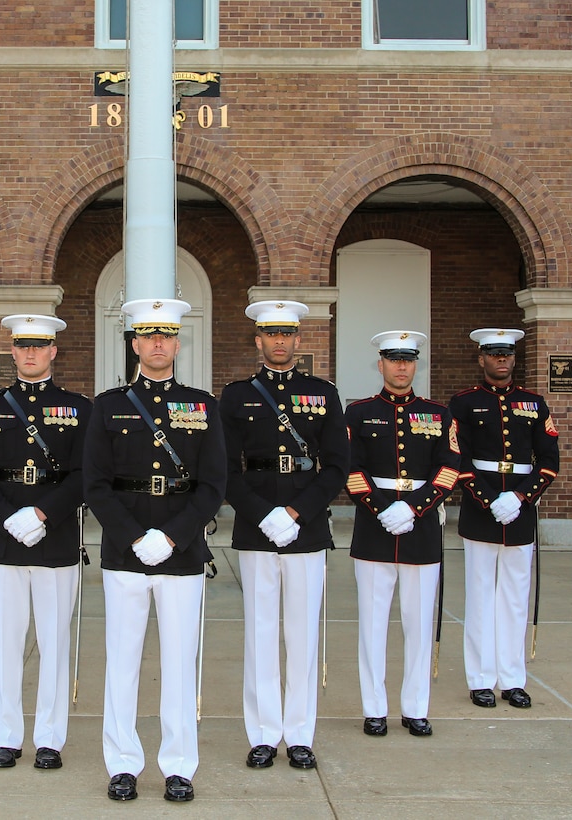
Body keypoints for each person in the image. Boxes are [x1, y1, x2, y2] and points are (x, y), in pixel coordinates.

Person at [83, 298, 225, 803]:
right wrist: (130, 535)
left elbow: (213, 484)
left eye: (166, 335)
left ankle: (179, 764)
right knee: (121, 661)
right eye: (148, 336)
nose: (158, 343)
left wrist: (172, 535)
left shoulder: (202, 404)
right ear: (135, 344)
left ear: (177, 343)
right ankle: (122, 763)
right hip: (126, 552)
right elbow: (95, 483)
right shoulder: (108, 404)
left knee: (180, 662)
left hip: (181, 550)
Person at [219, 300, 349, 770]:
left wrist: (295, 511)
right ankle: (262, 732)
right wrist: (260, 514)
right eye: (269, 334)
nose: (279, 341)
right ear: (258, 340)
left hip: (306, 527)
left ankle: (299, 734)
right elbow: (225, 468)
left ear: (298, 340)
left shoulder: (323, 394)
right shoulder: (234, 397)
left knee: (301, 633)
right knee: (260, 633)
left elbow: (337, 466)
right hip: (257, 529)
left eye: (287, 334)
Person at [0, 314, 91, 771]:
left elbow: (84, 475)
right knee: (6, 642)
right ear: (13, 352)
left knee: (55, 642)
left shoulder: (78, 407)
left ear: (54, 351)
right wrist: (6, 516)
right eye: (24, 346)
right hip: (4, 540)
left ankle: (50, 738)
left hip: (56, 538)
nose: (32, 354)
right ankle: (7, 736)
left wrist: (42, 513)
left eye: (41, 346)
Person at [344, 331, 460, 738]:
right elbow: (350, 470)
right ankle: (374, 708)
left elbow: (449, 469)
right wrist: (381, 508)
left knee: (419, 623)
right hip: (374, 530)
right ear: (381, 364)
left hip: (421, 528)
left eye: (408, 360)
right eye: (393, 359)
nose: (401, 366)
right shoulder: (358, 413)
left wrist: (413, 508)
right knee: (373, 625)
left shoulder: (439, 414)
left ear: (416, 365)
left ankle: (415, 708)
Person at [449, 328, 559, 710]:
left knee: (514, 598)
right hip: (481, 510)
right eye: (493, 353)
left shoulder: (534, 403)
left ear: (514, 358)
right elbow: (457, 458)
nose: (501, 360)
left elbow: (549, 460)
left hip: (520, 510)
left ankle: (512, 679)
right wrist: (486, 498)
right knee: (480, 596)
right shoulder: (463, 403)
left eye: (507, 353)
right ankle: (480, 678)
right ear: (481, 359)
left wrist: (520, 497)